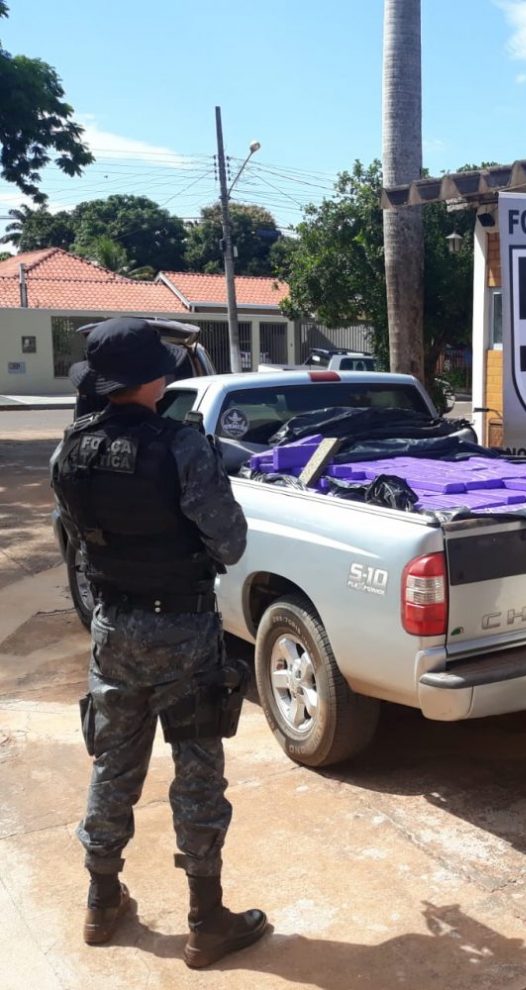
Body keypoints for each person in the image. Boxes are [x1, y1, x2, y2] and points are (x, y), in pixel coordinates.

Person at [50, 317, 268, 967]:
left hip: (113, 629)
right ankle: (206, 920)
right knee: (197, 771)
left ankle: (101, 902)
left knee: (113, 765)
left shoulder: (71, 449)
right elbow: (230, 542)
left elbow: (79, 540)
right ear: (151, 381)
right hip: (183, 632)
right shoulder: (182, 447)